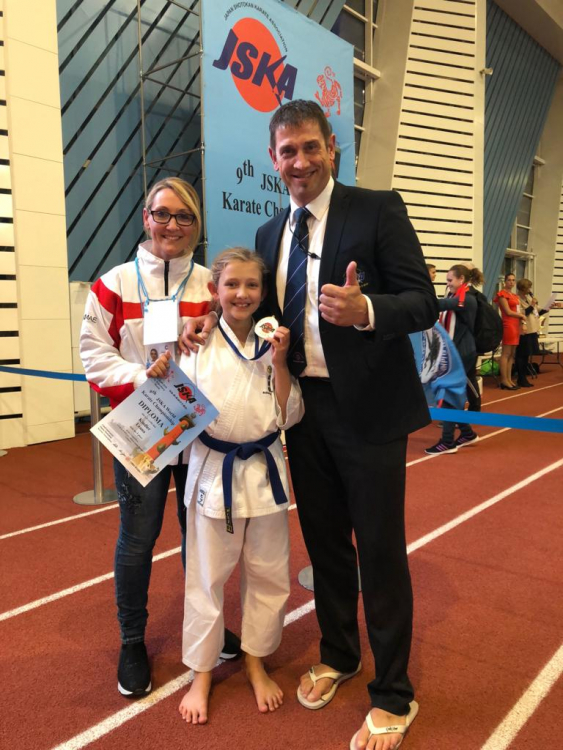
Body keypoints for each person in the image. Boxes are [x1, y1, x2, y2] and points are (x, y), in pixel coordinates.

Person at [181, 100, 438, 750]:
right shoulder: (270, 231)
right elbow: (257, 310)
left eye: (310, 147)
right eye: (287, 151)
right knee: (325, 547)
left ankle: (393, 693)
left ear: (331, 148)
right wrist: (208, 320)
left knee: (379, 551)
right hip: (302, 411)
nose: (299, 162)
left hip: (370, 410)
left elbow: (422, 302)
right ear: (273, 160)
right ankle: (339, 654)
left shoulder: (376, 209)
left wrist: (365, 309)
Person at [79, 177, 240, 699]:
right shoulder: (113, 283)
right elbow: (93, 356)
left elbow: (232, 348)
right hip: (141, 429)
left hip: (199, 434)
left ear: (196, 224)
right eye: (162, 214)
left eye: (184, 216)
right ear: (146, 217)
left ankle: (207, 626)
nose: (172, 225)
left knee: (201, 537)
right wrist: (139, 375)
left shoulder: (211, 285)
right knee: (138, 539)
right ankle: (132, 641)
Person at [178, 248, 304, 724]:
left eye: (252, 285)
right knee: (206, 576)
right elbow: (177, 407)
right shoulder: (196, 340)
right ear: (215, 290)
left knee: (269, 573)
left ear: (263, 292)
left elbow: (289, 415)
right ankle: (202, 672)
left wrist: (280, 362)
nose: (242, 293)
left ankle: (255, 661)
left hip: (265, 470)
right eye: (231, 284)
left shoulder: (273, 341)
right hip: (214, 470)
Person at [425, 265, 479, 455]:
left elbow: (442, 305)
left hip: (462, 352)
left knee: (448, 394)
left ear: (461, 279)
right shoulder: (455, 296)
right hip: (454, 351)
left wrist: (420, 299)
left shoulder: (467, 299)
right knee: (450, 394)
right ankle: (467, 433)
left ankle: (447, 441)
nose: (447, 284)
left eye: (450, 280)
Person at [515, 278, 561, 387]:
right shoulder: (517, 299)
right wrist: (532, 305)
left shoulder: (528, 298)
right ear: (523, 288)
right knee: (521, 354)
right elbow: (522, 313)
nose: (530, 290)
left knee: (527, 355)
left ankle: (524, 377)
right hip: (524, 331)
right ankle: (520, 378)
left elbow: (537, 312)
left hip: (533, 329)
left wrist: (549, 307)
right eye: (528, 288)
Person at [493, 273, 526, 390]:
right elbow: (507, 311)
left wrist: (522, 322)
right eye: (509, 280)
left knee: (512, 355)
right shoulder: (502, 294)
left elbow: (518, 311)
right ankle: (504, 380)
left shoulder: (515, 296)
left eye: (513, 280)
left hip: (516, 325)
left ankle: (509, 379)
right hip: (508, 325)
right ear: (505, 281)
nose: (511, 282)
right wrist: (521, 316)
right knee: (506, 354)